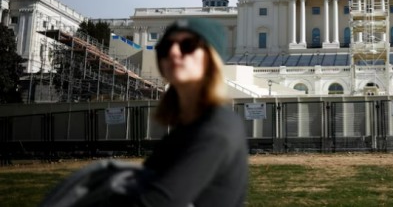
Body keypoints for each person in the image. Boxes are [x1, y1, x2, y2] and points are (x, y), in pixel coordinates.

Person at [40, 18, 248, 207]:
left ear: (211, 59)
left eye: (188, 45)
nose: (174, 52)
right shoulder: (188, 126)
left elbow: (158, 201)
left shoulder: (217, 127)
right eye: (166, 47)